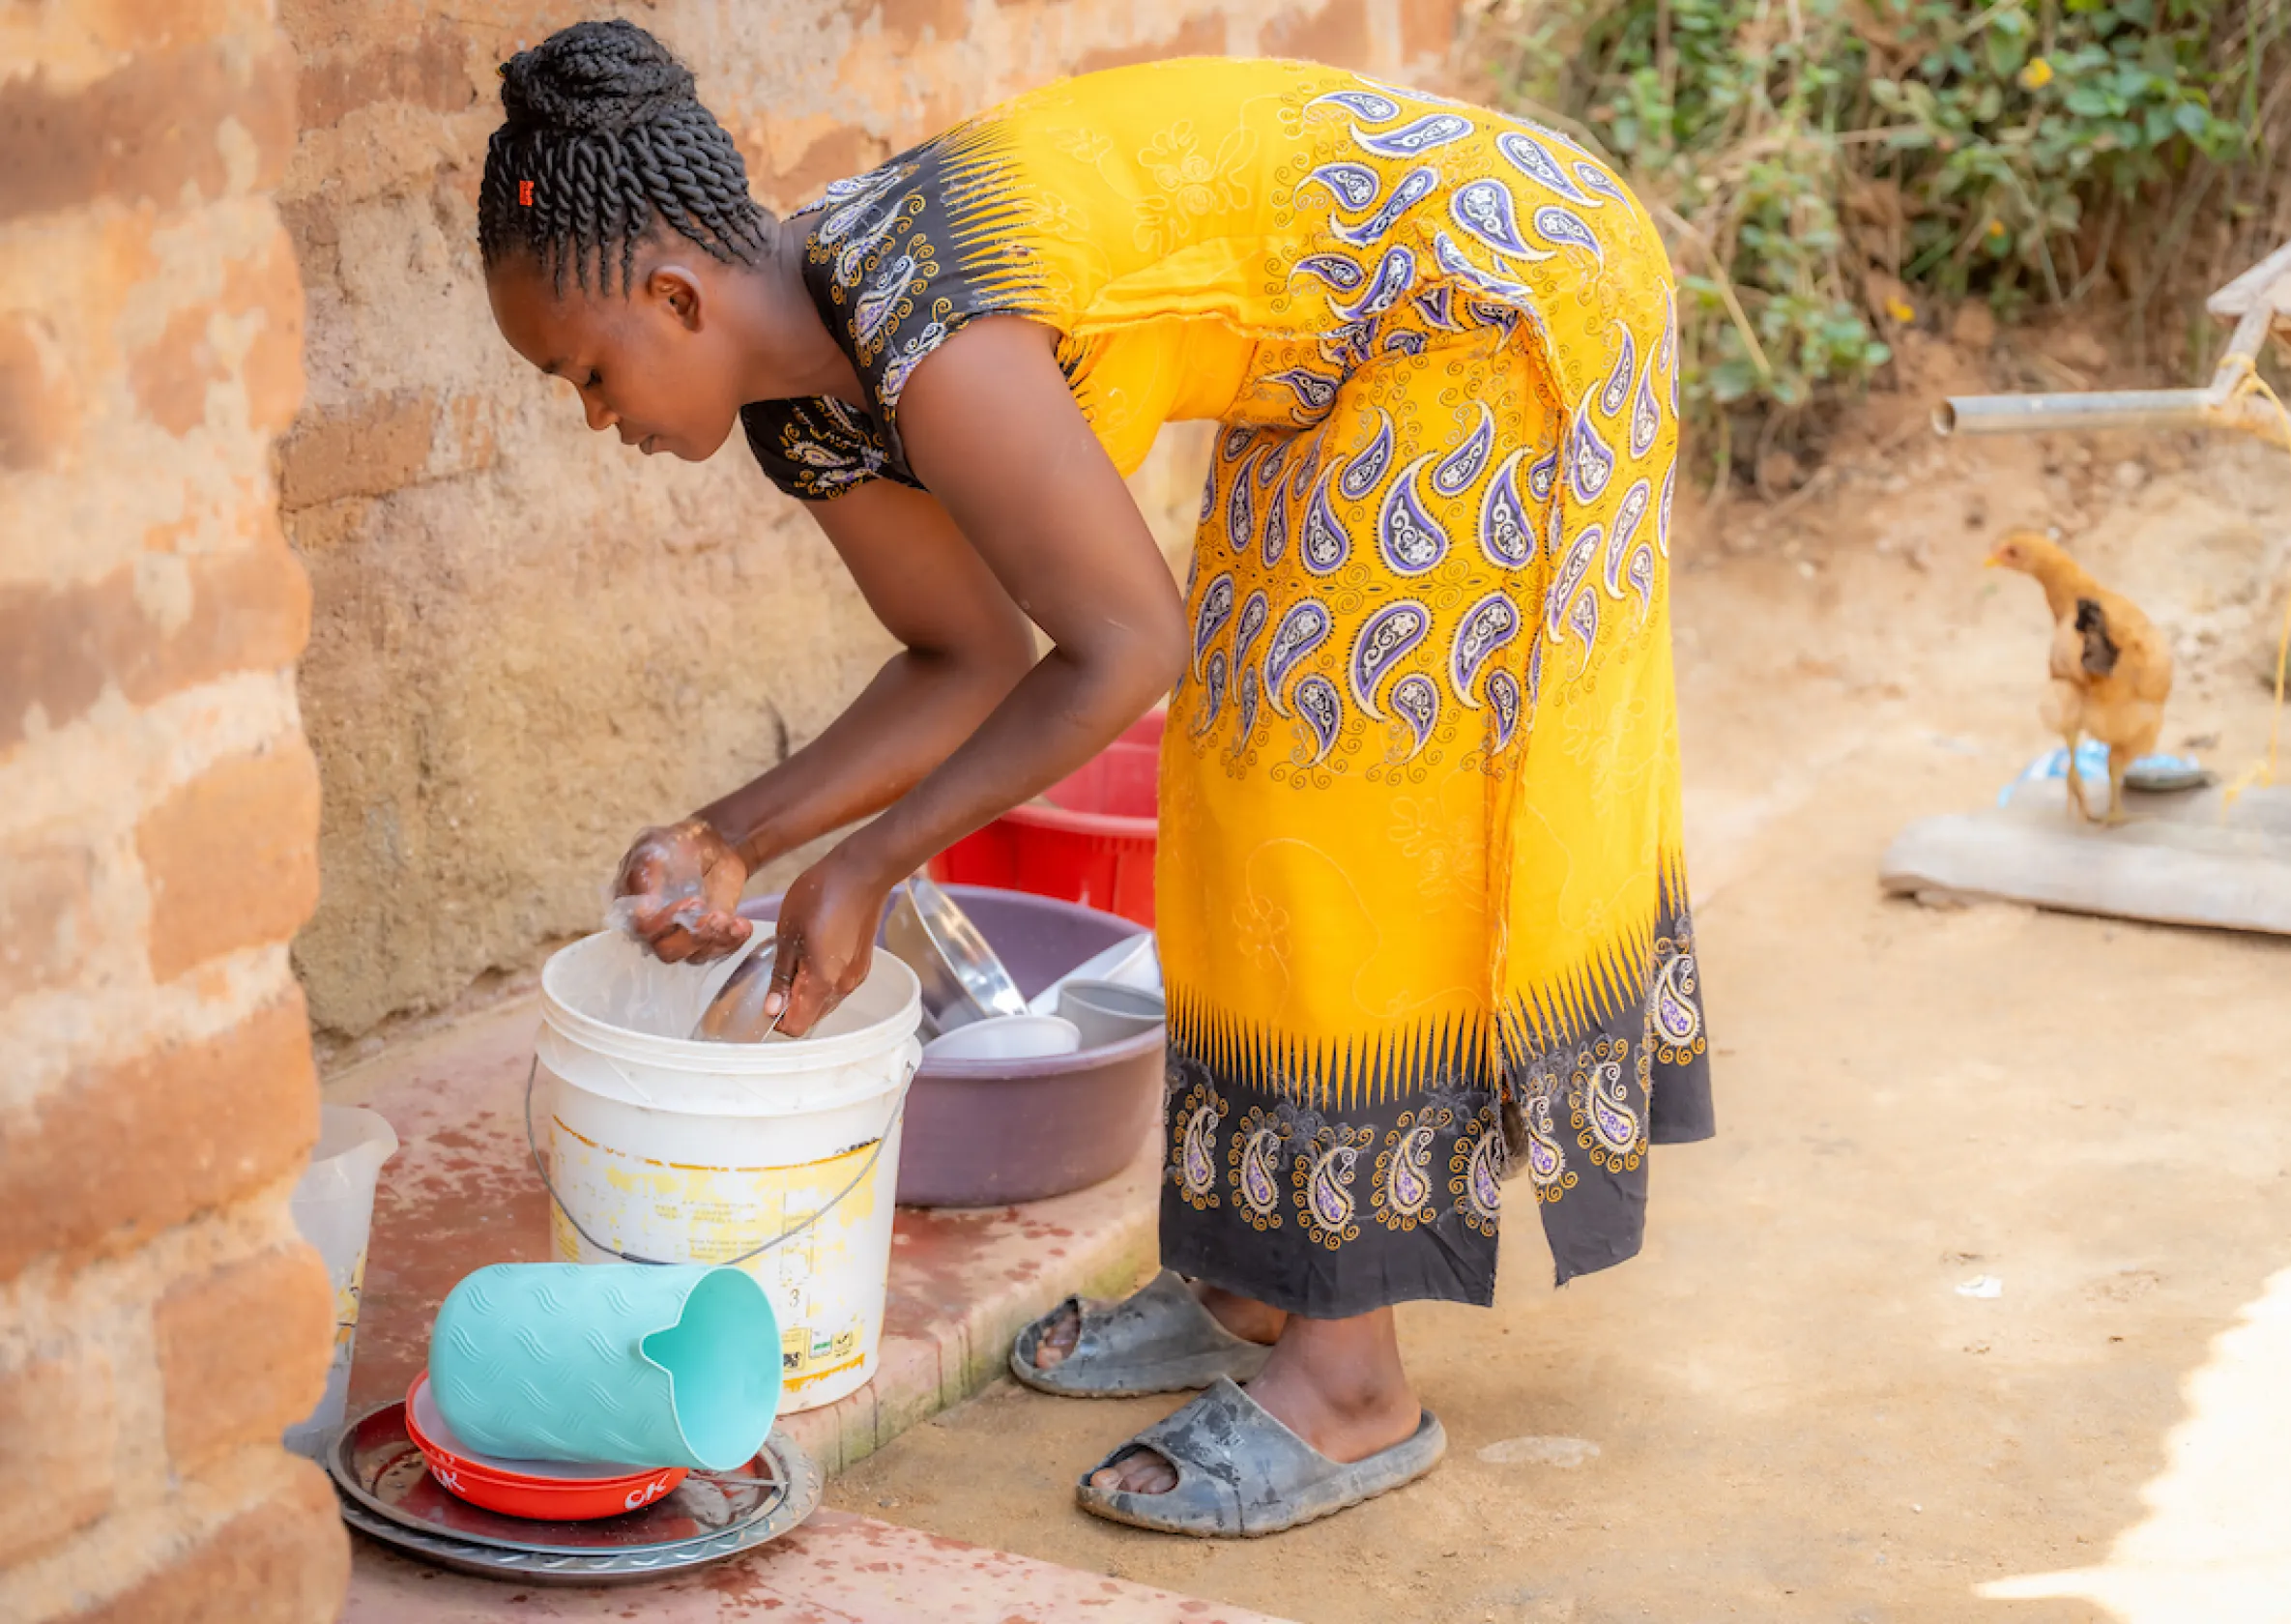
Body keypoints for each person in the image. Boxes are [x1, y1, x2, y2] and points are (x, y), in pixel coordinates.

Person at [478, 19, 1714, 1538]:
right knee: (1242, 783)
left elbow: (1121, 649)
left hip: (1496, 298)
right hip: (1346, 352)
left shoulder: (931, 321)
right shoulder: (804, 408)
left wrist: (864, 868)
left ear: (675, 296)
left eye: (585, 374)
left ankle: (1353, 1381)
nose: (597, 419)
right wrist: (734, 838)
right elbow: (966, 654)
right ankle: (1262, 1283)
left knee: (1333, 801)